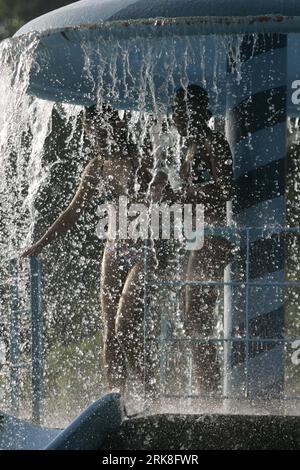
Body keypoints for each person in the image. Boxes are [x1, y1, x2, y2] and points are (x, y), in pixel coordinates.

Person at [20, 103, 166, 396]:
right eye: (90, 133)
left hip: (145, 251)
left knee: (125, 325)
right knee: (110, 332)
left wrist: (159, 187)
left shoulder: (140, 161)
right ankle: (115, 400)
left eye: (98, 131)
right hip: (113, 250)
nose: (94, 138)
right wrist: (38, 245)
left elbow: (163, 193)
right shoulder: (96, 167)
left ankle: (150, 392)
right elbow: (71, 213)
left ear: (113, 127)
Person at [172, 84, 235, 394]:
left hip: (212, 237)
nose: (173, 118)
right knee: (191, 318)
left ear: (196, 113)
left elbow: (226, 191)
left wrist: (184, 193)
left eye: (178, 111)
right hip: (198, 237)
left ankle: (209, 393)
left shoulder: (214, 143)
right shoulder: (191, 147)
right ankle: (205, 388)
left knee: (196, 317)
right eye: (173, 111)